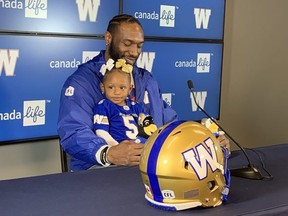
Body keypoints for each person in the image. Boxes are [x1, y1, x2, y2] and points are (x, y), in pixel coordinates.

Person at [57, 14, 178, 171]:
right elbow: (73, 131)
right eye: (127, 44)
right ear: (108, 38)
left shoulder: (146, 79)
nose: (134, 52)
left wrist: (202, 138)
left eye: (139, 46)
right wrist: (109, 153)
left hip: (148, 166)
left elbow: (169, 121)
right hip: (100, 170)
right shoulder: (82, 81)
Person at [93, 58, 157, 148]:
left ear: (129, 89)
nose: (117, 92)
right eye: (111, 87)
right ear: (103, 87)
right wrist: (116, 149)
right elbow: (101, 132)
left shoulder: (136, 107)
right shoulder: (104, 106)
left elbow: (149, 128)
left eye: (122, 88)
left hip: (139, 149)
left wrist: (145, 144)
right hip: (119, 154)